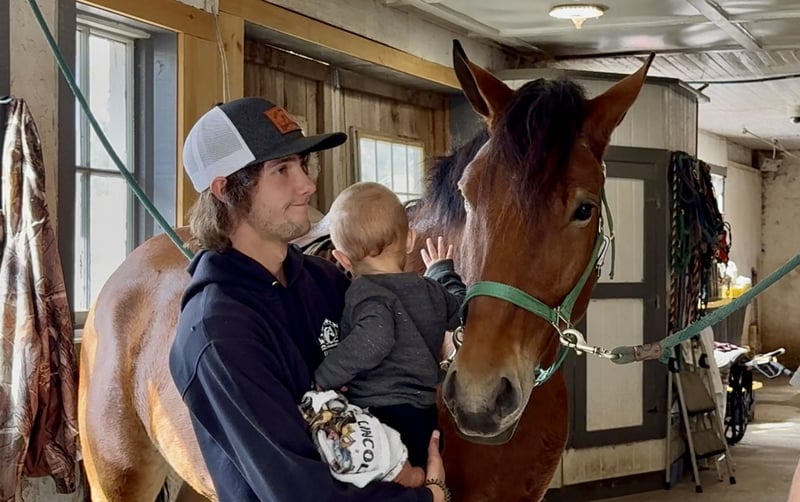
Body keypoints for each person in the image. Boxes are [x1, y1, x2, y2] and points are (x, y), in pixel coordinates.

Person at [168, 97, 449, 502]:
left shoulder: (325, 280)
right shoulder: (218, 334)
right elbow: (298, 492)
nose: (308, 185)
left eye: (303, 164)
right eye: (282, 170)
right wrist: (429, 498)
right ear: (225, 189)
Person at [313, 182, 465, 476]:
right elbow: (462, 311)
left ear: (342, 259)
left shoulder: (365, 292)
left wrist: (325, 376)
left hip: (380, 417)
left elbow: (376, 336)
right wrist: (443, 271)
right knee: (422, 478)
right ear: (410, 240)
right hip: (424, 415)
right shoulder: (432, 291)